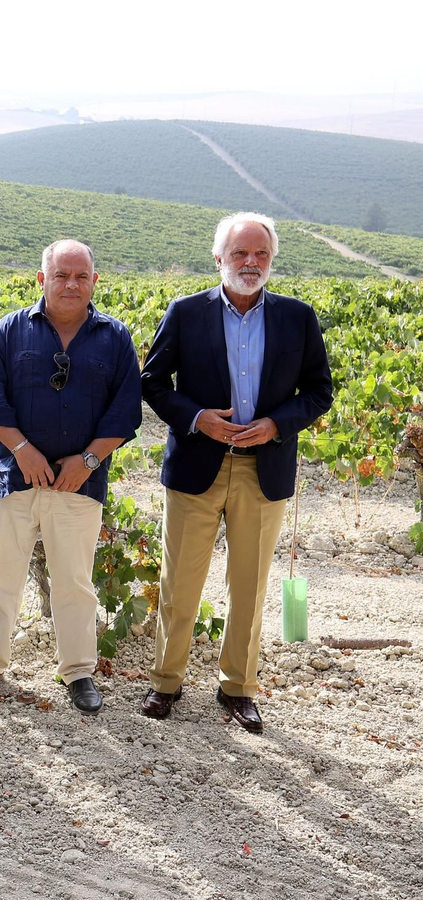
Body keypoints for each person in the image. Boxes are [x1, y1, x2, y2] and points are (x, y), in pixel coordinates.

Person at [139, 212, 333, 732]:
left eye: (261, 254)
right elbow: (153, 383)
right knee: (180, 582)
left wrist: (276, 424)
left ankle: (238, 689)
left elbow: (319, 392)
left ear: (271, 259)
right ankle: (166, 682)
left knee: (249, 585)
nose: (251, 263)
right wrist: (197, 418)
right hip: (197, 466)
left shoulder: (298, 317)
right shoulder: (185, 313)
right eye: (240, 253)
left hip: (262, 471)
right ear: (218, 257)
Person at [0, 240, 141, 715]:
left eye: (81, 276)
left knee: (75, 581)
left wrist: (88, 461)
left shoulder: (115, 337)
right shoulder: (10, 330)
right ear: (42, 279)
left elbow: (124, 414)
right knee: (1, 573)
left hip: (79, 482)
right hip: (16, 476)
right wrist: (23, 451)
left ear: (95, 282)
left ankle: (79, 670)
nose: (71, 284)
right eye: (61, 275)